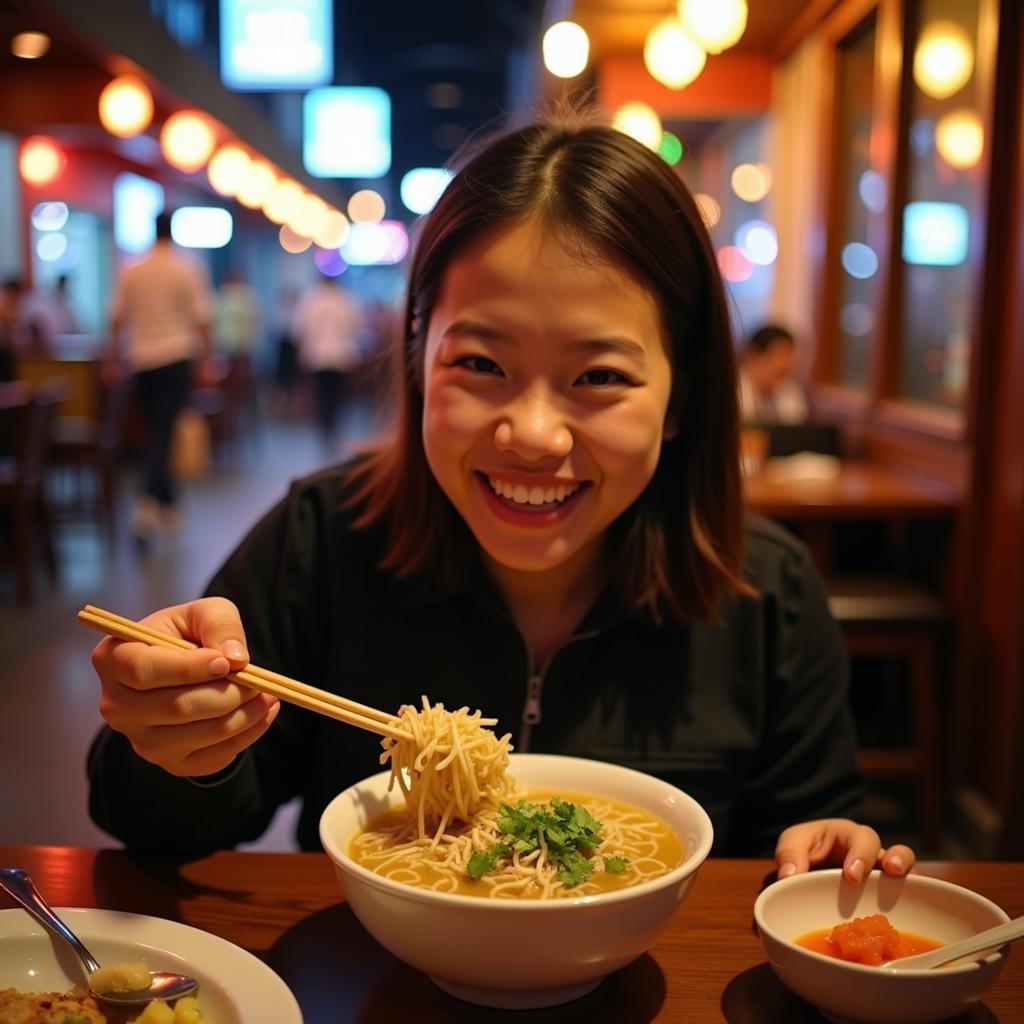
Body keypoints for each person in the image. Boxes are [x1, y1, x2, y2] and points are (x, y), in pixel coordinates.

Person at [86, 110, 915, 884]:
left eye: (600, 377)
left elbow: (811, 828)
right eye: (481, 364)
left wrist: (828, 846)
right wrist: (173, 742)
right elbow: (156, 829)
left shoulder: (767, 591)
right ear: (418, 357)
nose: (535, 435)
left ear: (682, 397)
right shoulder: (321, 538)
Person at [106, 211, 215, 545]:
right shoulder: (188, 267)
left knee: (156, 429)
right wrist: (207, 360)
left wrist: (112, 357)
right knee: (163, 431)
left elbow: (117, 317)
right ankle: (147, 502)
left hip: (140, 360)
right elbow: (202, 318)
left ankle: (168, 503)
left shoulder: (131, 268)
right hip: (176, 358)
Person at [290, 272, 362, 450]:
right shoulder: (346, 299)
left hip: (317, 356)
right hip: (340, 356)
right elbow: (356, 327)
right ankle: (332, 427)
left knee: (323, 394)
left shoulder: (310, 299)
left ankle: (324, 428)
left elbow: (298, 329)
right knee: (336, 395)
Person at [738, 324, 809, 425]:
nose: (786, 364)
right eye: (780, 355)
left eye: (789, 357)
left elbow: (796, 433)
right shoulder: (733, 391)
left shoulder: (791, 392)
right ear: (753, 355)